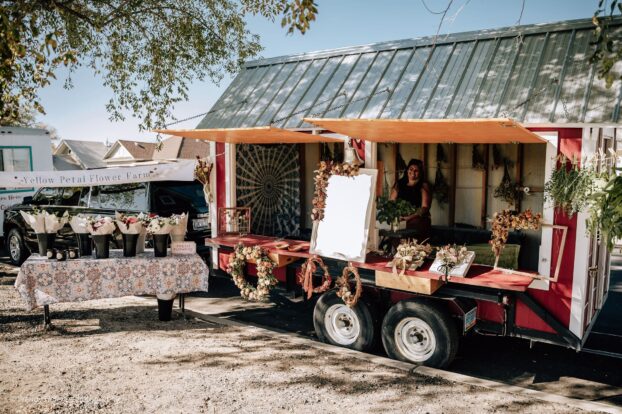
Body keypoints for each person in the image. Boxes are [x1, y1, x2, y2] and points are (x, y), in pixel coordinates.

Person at [389, 158, 432, 238]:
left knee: (412, 236)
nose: (413, 172)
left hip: (417, 219)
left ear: (420, 173)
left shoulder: (423, 185)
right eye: (411, 169)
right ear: (407, 170)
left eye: (416, 170)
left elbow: (425, 207)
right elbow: (391, 201)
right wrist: (396, 215)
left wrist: (409, 217)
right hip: (400, 218)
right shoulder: (399, 184)